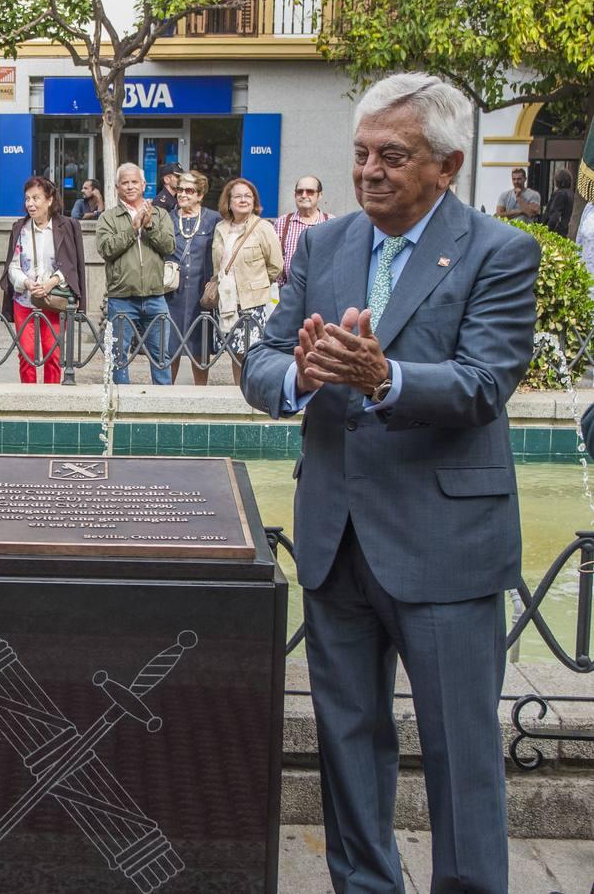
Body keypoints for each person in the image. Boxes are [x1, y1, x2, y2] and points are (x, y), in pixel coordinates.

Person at [242, 72, 539, 892]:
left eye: (392, 156)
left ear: (446, 165)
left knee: (460, 757)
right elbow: (259, 361)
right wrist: (299, 376)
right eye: (361, 153)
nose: (369, 171)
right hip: (336, 543)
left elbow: (484, 383)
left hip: (447, 549)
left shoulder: (500, 252)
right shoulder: (325, 243)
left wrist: (387, 379)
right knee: (348, 744)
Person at [0, 176, 87, 385]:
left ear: (49, 199)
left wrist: (52, 282)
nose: (30, 203)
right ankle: (28, 396)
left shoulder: (68, 226)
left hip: (54, 298)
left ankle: (52, 398)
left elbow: (73, 265)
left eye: (36, 198)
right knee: (26, 354)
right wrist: (28, 283)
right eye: (27, 198)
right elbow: (13, 266)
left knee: (52, 353)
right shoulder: (20, 228)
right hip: (24, 299)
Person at [97, 162, 177, 386]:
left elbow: (170, 246)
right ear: (117, 187)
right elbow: (106, 249)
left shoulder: (160, 214)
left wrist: (149, 226)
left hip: (155, 296)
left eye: (134, 182)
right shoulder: (108, 217)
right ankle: (121, 406)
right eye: (125, 183)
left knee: (160, 356)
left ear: (144, 185)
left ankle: (163, 408)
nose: (130, 186)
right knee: (118, 357)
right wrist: (132, 229)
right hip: (121, 298)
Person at [212, 177, 281, 368]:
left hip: (253, 302)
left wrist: (255, 283)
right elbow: (217, 264)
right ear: (229, 202)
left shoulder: (263, 227)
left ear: (254, 201)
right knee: (236, 353)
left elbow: (275, 265)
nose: (243, 200)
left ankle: (251, 394)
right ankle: (237, 391)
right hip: (227, 300)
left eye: (248, 196)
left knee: (253, 354)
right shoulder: (220, 228)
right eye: (238, 197)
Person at [167, 171, 221, 385]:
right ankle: (164, 394)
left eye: (189, 191)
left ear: (200, 195)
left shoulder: (214, 219)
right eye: (180, 189)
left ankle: (200, 392)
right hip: (172, 293)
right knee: (168, 347)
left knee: (200, 348)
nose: (182, 194)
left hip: (201, 291)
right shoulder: (167, 218)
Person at [271, 175, 334, 285]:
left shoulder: (331, 222)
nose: (304, 195)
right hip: (288, 290)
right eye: (300, 191)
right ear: (295, 195)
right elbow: (273, 257)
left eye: (310, 191)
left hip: (320, 291)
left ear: (320, 195)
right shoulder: (282, 222)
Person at [544, 168, 574, 237]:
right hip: (567, 229)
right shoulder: (571, 193)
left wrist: (546, 231)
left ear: (557, 181)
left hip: (560, 232)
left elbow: (554, 214)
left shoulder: (560, 194)